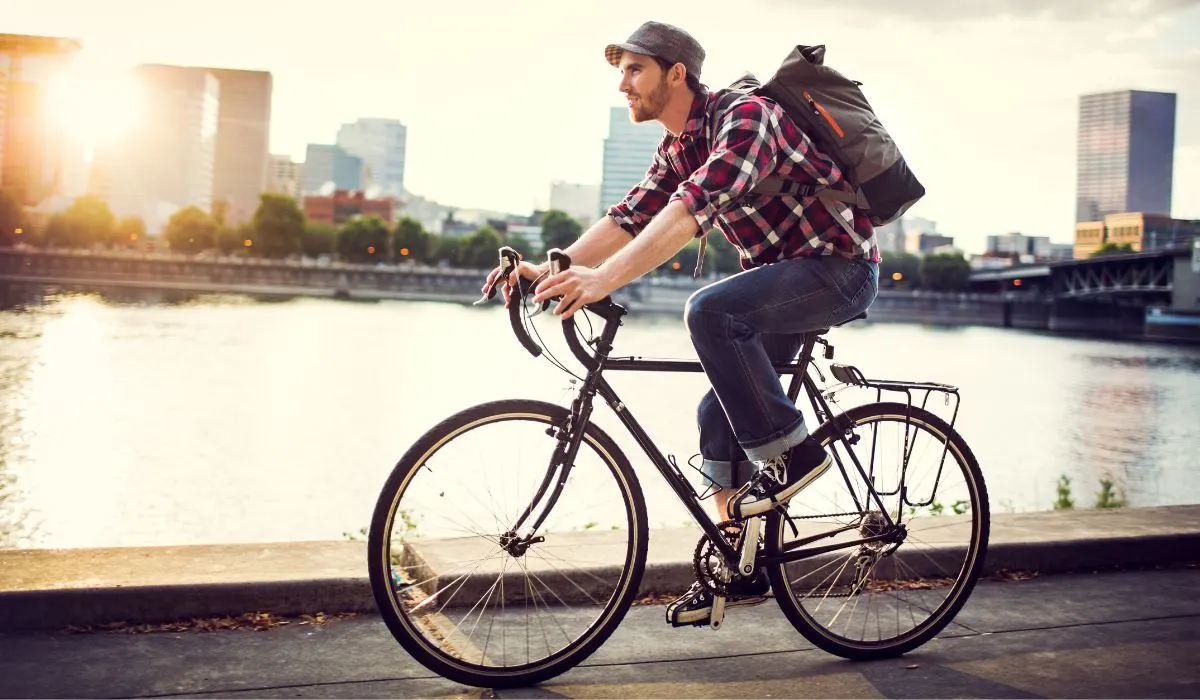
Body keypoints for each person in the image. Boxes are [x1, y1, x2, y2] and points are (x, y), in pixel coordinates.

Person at [483, 20, 880, 624]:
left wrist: (603, 281)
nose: (622, 85)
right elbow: (629, 217)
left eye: (634, 69)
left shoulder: (746, 118)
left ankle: (797, 458)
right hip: (782, 284)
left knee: (710, 311)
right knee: (716, 415)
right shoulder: (676, 147)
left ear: (676, 74)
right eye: (621, 71)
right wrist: (546, 270)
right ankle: (743, 569)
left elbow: (689, 212)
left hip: (838, 271)